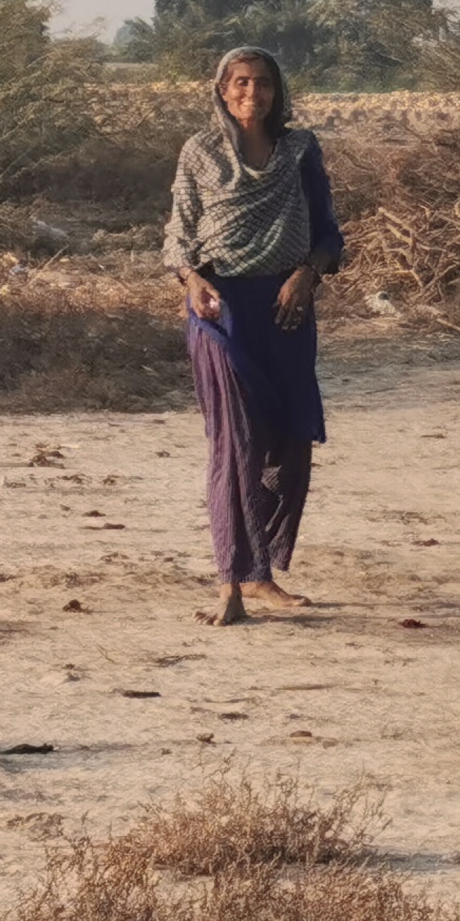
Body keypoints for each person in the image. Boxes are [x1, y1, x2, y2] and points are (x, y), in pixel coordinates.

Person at [162, 46, 345, 627]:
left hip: (287, 312)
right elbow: (177, 235)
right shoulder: (201, 153)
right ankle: (230, 584)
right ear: (221, 89)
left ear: (277, 91)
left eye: (263, 83)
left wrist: (305, 276)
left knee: (285, 445)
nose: (251, 93)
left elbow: (328, 234)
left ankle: (259, 572)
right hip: (222, 312)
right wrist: (191, 282)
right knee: (235, 446)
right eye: (239, 82)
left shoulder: (299, 150)